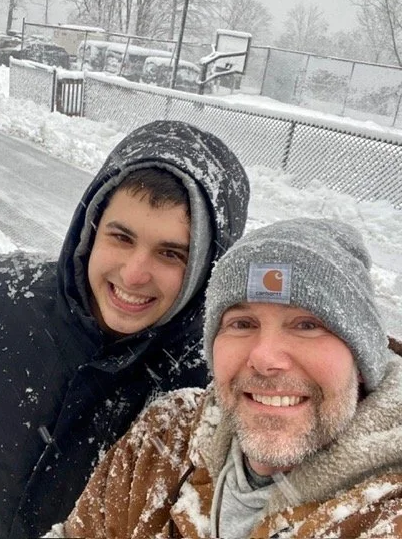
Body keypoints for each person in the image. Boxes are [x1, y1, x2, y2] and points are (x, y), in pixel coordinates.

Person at [0, 119, 250, 539]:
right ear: (90, 229)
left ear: (207, 269)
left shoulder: (212, 383)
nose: (133, 275)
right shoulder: (1, 297)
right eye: (121, 237)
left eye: (171, 253)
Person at [60, 218, 402, 539]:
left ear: (361, 358)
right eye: (242, 324)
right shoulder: (165, 437)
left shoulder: (388, 514)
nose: (265, 358)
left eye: (307, 325)